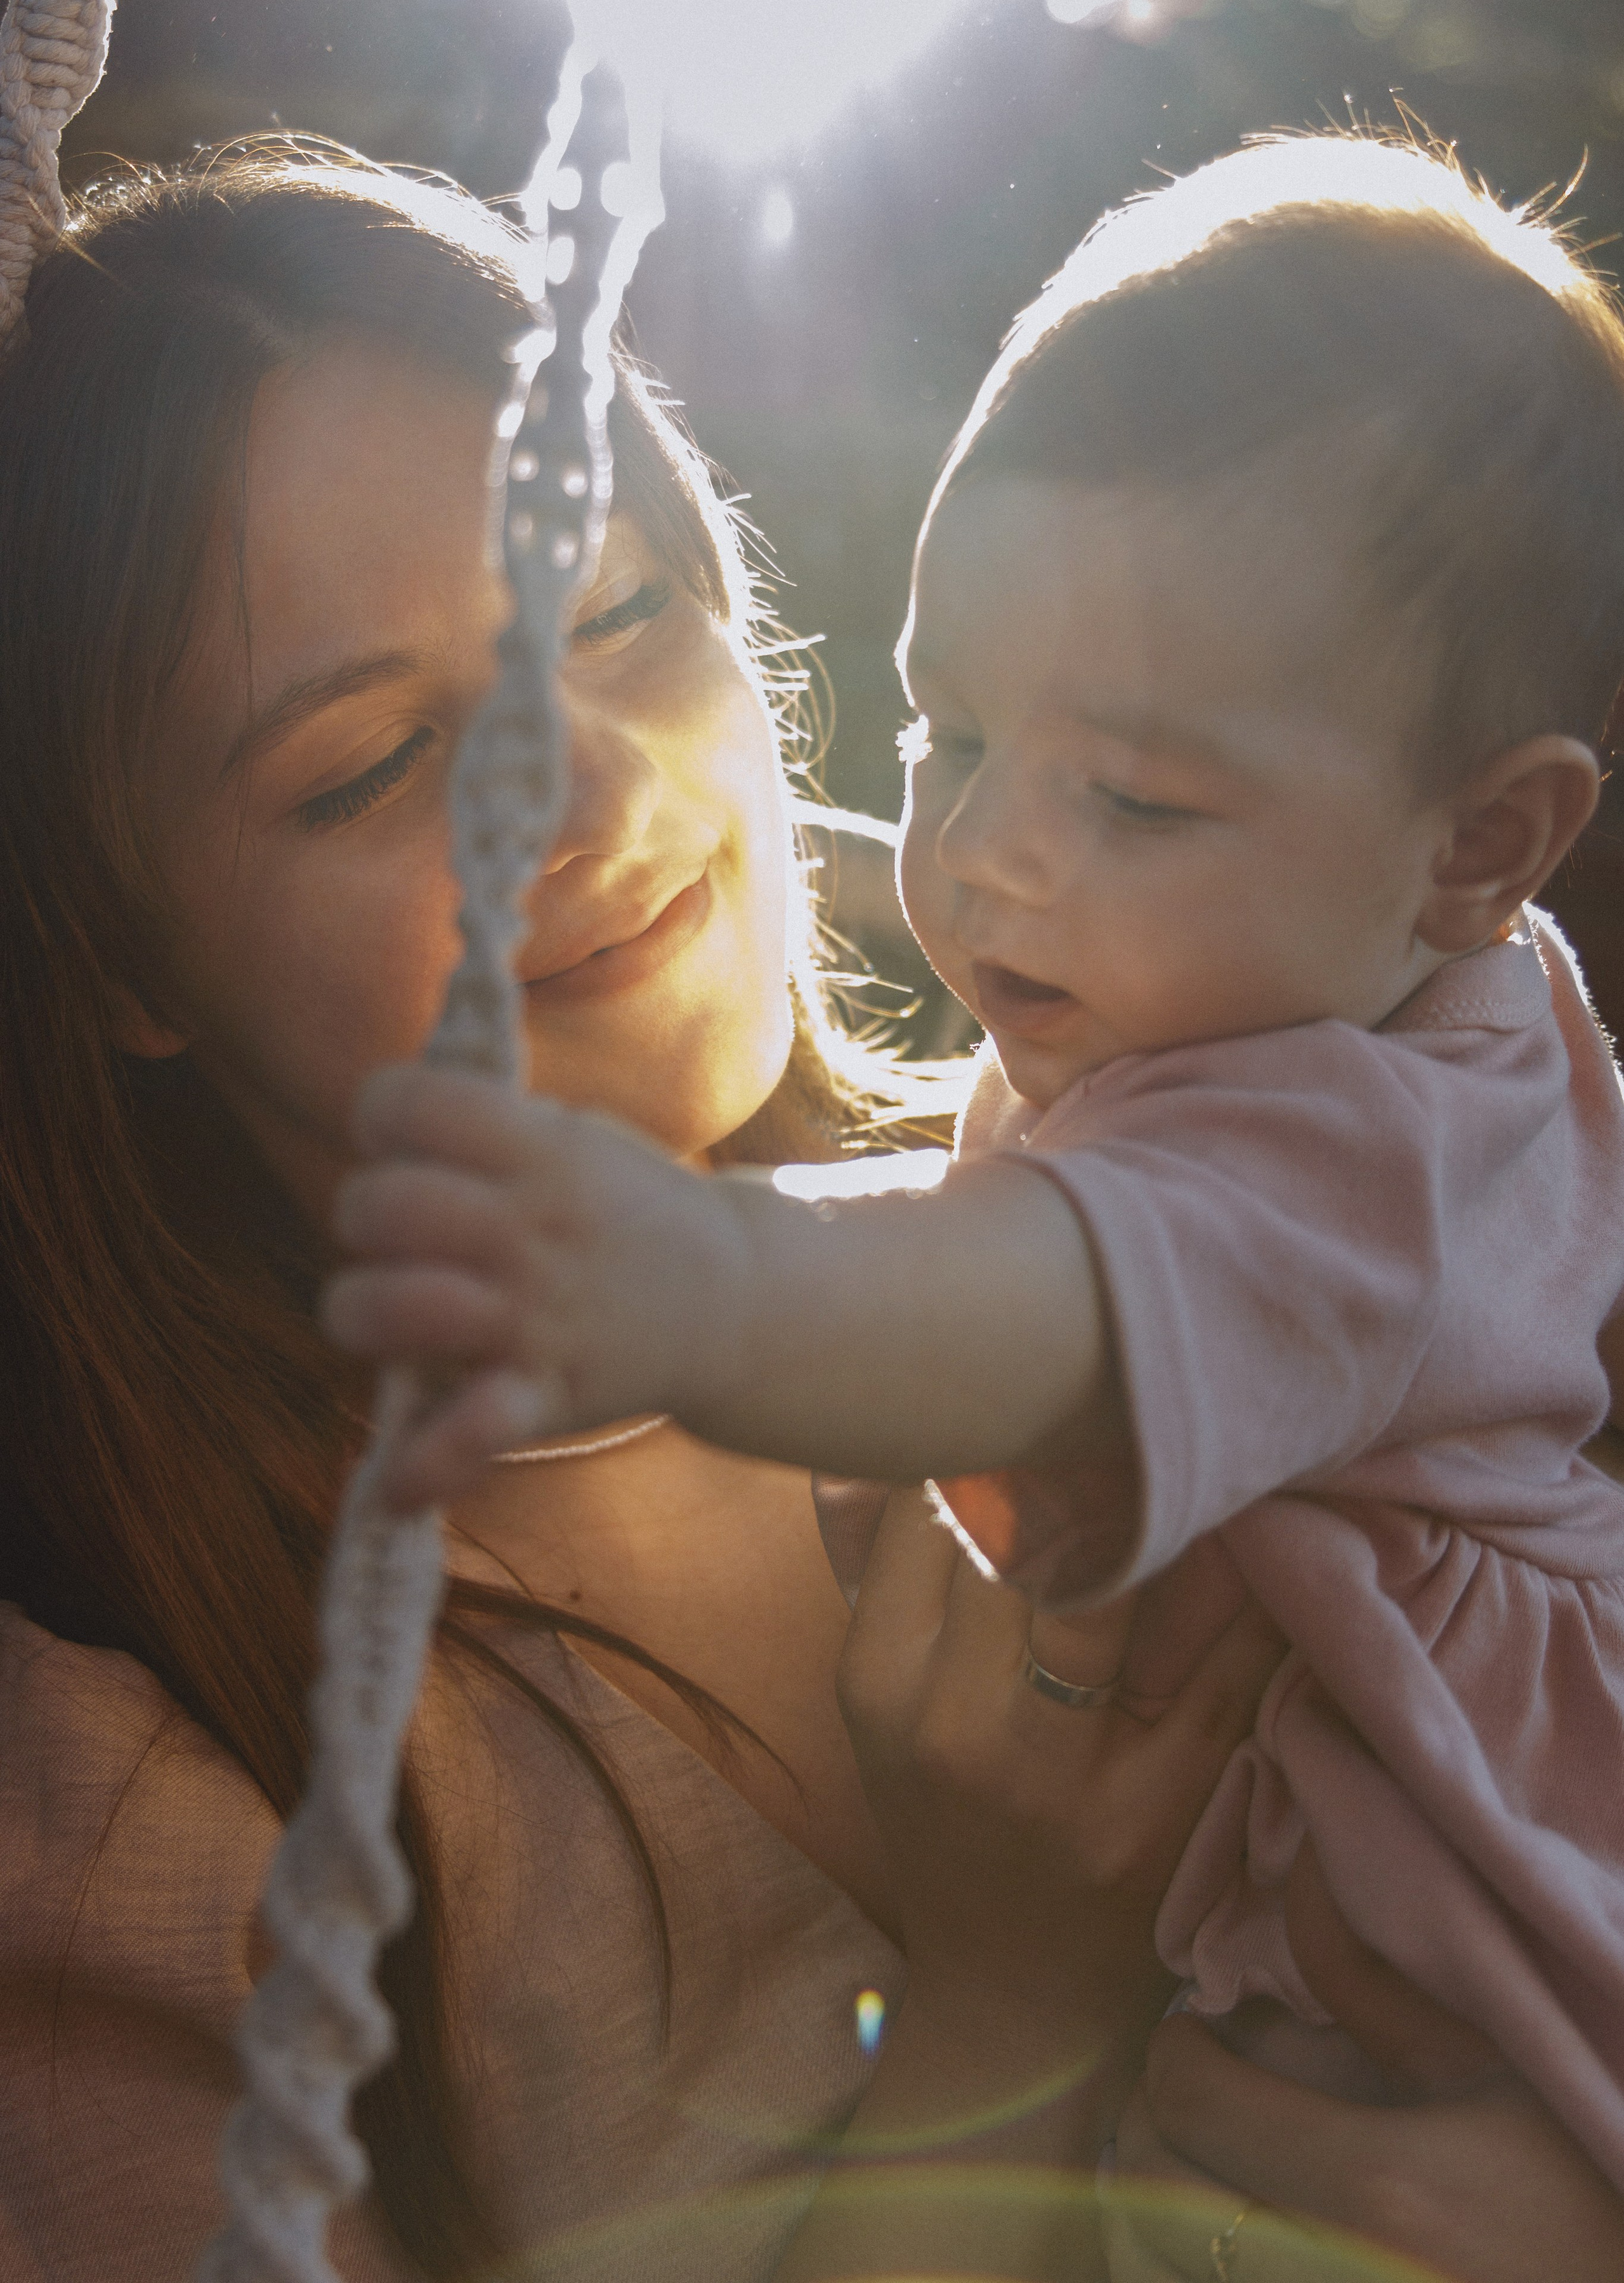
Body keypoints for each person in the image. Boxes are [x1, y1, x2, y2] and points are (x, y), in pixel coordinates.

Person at [0, 137, 1295, 2283]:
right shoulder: (136, 1794)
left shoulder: (1167, 1220)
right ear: (119, 959)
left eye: (617, 613)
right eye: (368, 765)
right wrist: (1014, 2008)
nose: (593, 792)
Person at [326, 130, 1624, 2249]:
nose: (991, 857)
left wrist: (680, 1284)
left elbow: (1015, 1303)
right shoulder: (1271, 957)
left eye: (1127, 790)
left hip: (1475, 1984)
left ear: (1483, 848)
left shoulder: (1355, 1133)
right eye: (947, 732)